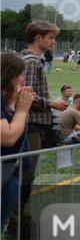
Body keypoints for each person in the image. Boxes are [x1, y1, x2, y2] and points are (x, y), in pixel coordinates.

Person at [6, 21, 66, 240]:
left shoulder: (31, 60)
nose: (53, 41)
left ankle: (18, 220)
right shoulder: (31, 62)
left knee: (23, 175)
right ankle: (16, 223)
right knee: (25, 176)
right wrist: (51, 103)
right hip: (29, 124)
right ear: (38, 38)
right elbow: (25, 95)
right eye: (50, 37)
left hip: (30, 123)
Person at [1, 53, 34, 230]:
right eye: (19, 75)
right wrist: (22, 109)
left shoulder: (6, 101)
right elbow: (8, 137)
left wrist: (17, 104)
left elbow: (19, 127)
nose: (22, 79)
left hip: (11, 171)